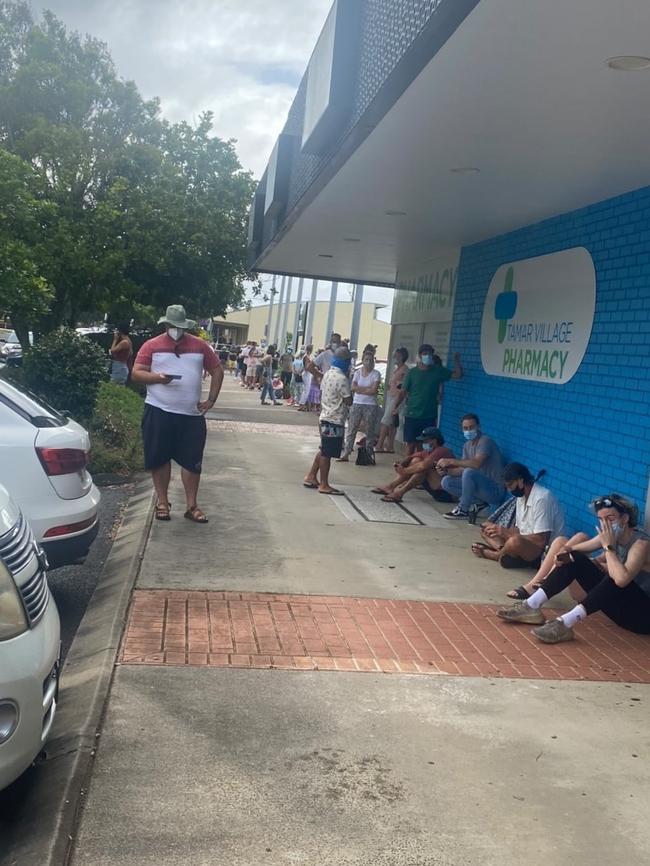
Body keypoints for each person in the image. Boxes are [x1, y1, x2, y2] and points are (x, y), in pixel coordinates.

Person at [496, 494, 650, 643]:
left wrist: (608, 547)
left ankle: (565, 623)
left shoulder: (641, 544)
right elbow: (579, 549)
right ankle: (532, 605)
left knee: (615, 576)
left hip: (643, 617)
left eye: (610, 519)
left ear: (624, 519)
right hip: (623, 610)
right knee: (575, 558)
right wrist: (565, 552)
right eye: (602, 520)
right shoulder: (612, 536)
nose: (606, 526)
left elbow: (622, 580)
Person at [131, 304, 223, 524]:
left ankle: (192, 505)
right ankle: (162, 502)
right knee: (159, 458)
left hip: (191, 415)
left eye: (180, 326)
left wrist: (211, 399)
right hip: (158, 410)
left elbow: (217, 370)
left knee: (192, 462)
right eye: (173, 326)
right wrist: (157, 378)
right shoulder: (151, 346)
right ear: (166, 325)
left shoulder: (200, 346)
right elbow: (136, 373)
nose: (176, 330)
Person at [471, 463, 565, 568]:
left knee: (515, 541)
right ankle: (504, 551)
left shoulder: (542, 498)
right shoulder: (521, 497)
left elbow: (541, 540)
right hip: (525, 542)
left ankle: (495, 555)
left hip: (542, 551)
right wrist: (500, 531)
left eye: (510, 485)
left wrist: (506, 532)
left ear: (521, 481)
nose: (509, 490)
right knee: (486, 528)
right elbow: (520, 529)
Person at [392, 344, 463, 455]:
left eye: (430, 354)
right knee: (410, 445)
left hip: (429, 415)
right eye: (425, 354)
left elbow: (457, 375)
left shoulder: (437, 371)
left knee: (425, 446)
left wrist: (456, 361)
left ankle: (420, 468)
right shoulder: (412, 373)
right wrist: (394, 408)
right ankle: (406, 469)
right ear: (420, 356)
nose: (428, 356)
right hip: (412, 414)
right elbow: (402, 392)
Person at [303, 346, 353, 495]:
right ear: (345, 362)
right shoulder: (342, 379)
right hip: (334, 419)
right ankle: (324, 484)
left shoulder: (327, 374)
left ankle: (311, 476)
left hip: (324, 416)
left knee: (324, 448)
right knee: (327, 453)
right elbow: (348, 401)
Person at [437, 414, 506, 520]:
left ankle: (463, 509)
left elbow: (476, 464)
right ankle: (479, 503)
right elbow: (462, 470)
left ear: (478, 427)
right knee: (446, 481)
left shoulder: (485, 441)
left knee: (469, 472)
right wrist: (446, 471)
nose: (468, 431)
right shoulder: (467, 445)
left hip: (495, 491)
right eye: (465, 428)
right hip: (481, 490)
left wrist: (450, 461)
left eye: (471, 427)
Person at [371, 427, 454, 503]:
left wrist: (404, 471)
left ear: (434, 440)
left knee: (423, 469)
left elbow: (423, 466)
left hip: (446, 493)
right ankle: (390, 487)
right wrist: (402, 463)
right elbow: (413, 456)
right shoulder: (428, 452)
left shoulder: (442, 451)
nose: (423, 443)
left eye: (426, 441)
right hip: (434, 488)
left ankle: (399, 493)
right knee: (416, 460)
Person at [338, 351, 381, 462]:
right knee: (352, 428)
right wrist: (367, 389)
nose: (369, 362)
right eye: (366, 359)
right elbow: (353, 387)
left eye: (371, 360)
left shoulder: (376, 374)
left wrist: (361, 389)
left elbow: (374, 390)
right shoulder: (358, 373)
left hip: (370, 405)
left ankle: (368, 454)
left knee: (369, 430)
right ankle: (347, 452)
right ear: (362, 361)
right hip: (357, 403)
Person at [376, 346, 409, 454]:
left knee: (385, 421)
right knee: (392, 423)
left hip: (397, 398)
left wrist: (397, 403)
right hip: (391, 396)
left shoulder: (405, 370)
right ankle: (390, 446)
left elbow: (403, 387)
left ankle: (380, 445)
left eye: (397, 355)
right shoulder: (397, 369)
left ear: (402, 357)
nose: (394, 357)